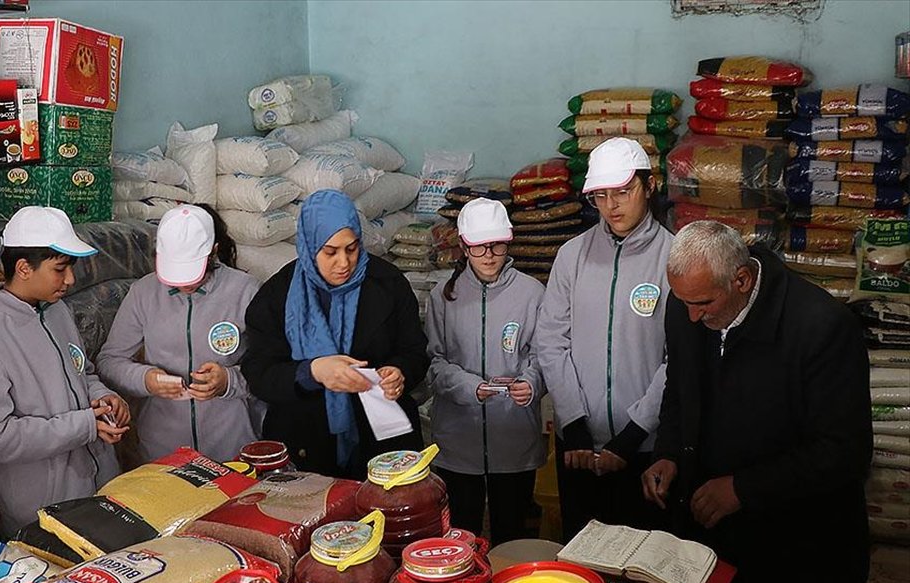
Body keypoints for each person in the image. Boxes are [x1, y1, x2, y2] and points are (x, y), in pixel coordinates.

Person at [642, 221, 871, 583]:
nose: (691, 317)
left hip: (797, 550)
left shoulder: (820, 327)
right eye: (684, 302)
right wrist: (668, 449)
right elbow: (680, 386)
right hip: (716, 541)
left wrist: (742, 489)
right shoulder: (689, 304)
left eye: (703, 304)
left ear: (742, 280)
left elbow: (843, 450)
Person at [0, 206, 129, 537]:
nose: (71, 280)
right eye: (60, 269)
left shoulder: (56, 311)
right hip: (45, 512)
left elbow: (83, 371)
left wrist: (103, 397)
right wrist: (84, 426)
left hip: (97, 488)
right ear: (23, 268)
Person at [536, 137, 673, 540]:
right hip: (576, 446)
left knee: (639, 556)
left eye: (623, 191)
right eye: (601, 195)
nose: (612, 205)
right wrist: (574, 423)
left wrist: (633, 435)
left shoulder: (673, 257)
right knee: (583, 551)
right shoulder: (572, 255)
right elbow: (551, 340)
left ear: (649, 186)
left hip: (642, 448)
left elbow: (677, 358)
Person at [242, 189, 430, 478]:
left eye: (352, 249)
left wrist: (399, 371)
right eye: (330, 252)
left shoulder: (388, 284)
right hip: (304, 442)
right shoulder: (277, 295)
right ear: (308, 245)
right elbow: (259, 373)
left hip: (382, 443)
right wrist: (312, 371)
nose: (343, 263)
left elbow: (415, 350)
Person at [425, 198, 547, 545]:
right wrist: (469, 387)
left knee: (513, 535)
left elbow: (543, 356)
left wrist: (531, 382)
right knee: (462, 535)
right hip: (457, 440)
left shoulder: (531, 292)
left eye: (496, 244)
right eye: (479, 247)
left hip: (514, 436)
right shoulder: (442, 297)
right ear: (464, 247)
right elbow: (433, 364)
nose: (490, 254)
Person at [97, 204, 260, 462]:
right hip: (163, 450)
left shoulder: (246, 291)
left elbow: (271, 368)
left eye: (191, 271)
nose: (184, 283)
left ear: (214, 252)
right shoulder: (144, 293)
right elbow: (109, 361)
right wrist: (145, 379)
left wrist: (228, 381)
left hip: (232, 445)